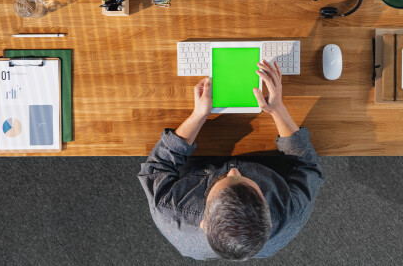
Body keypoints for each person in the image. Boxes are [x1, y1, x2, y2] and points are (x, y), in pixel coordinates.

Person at [138, 60, 324, 260]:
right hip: (265, 157)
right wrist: (277, 109)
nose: (234, 171)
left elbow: (157, 167)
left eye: (222, 182)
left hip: (198, 161)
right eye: (247, 182)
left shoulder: (169, 211)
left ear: (203, 222)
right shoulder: (291, 214)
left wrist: (199, 115)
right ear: (269, 220)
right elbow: (309, 167)